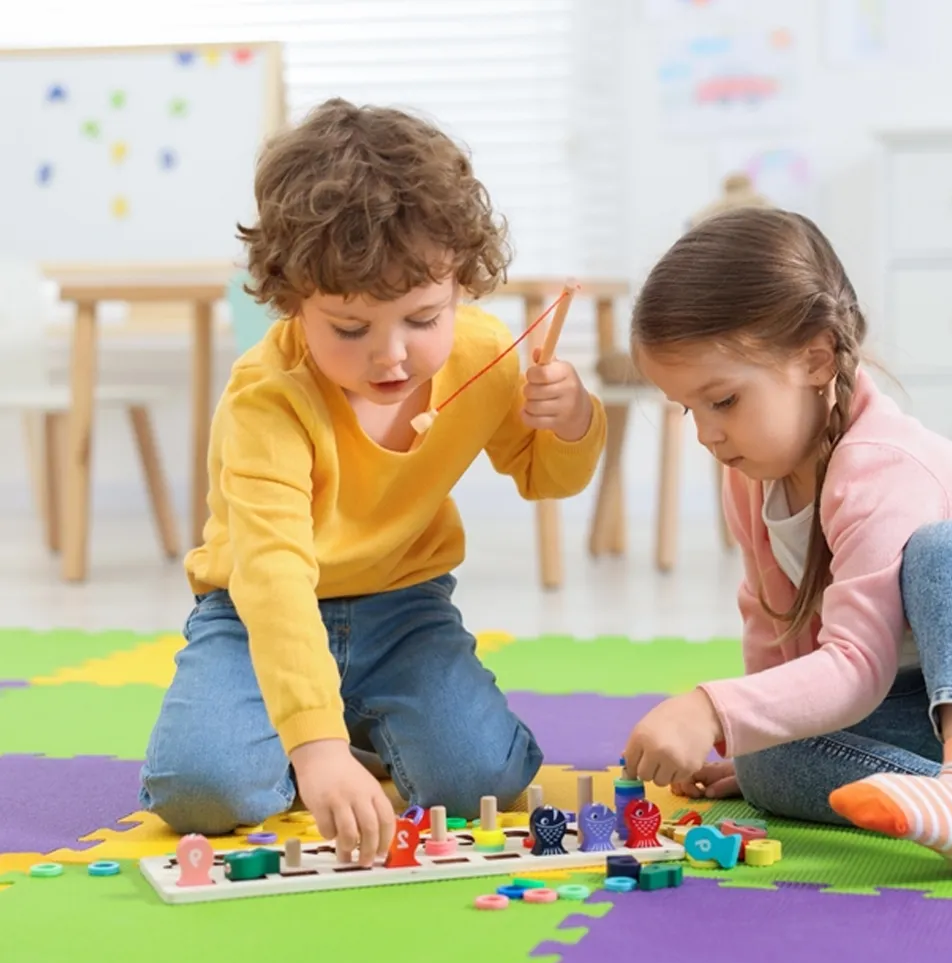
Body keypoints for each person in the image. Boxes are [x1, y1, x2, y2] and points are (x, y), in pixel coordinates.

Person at [139, 99, 607, 866]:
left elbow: (544, 477)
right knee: (201, 793)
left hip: (405, 608)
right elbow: (273, 575)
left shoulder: (484, 354)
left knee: (479, 781)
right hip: (257, 616)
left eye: (423, 318)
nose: (390, 357)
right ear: (291, 299)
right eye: (350, 329)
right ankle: (327, 729)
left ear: (461, 281)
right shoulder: (268, 398)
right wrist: (316, 746)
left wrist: (574, 419)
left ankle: (351, 725)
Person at [621, 207, 952, 876]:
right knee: (764, 759)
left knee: (945, 548)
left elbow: (856, 668)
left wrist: (709, 708)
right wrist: (745, 734)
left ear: (815, 357)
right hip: (942, 705)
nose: (706, 434)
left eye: (722, 401)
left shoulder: (882, 465)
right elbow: (777, 635)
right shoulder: (754, 480)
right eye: (687, 409)